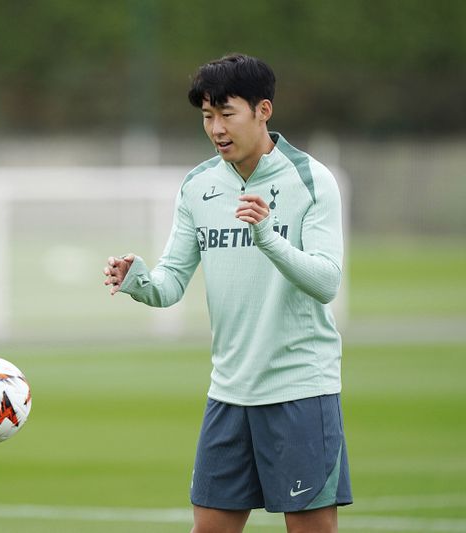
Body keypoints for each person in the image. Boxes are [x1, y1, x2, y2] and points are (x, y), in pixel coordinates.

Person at [104, 53, 351, 533]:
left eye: (226, 113)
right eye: (206, 116)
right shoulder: (198, 186)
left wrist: (268, 237)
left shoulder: (311, 180)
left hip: (300, 389)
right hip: (229, 393)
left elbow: (326, 282)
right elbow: (170, 283)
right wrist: (138, 279)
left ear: (263, 110)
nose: (216, 128)